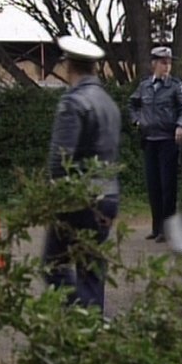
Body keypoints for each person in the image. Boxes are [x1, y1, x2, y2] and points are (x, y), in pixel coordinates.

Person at [42, 35, 121, 311]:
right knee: (91, 268)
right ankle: (92, 326)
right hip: (108, 195)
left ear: (68, 66)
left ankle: (79, 316)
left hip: (79, 197)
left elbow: (60, 159)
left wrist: (51, 197)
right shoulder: (108, 103)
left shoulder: (72, 103)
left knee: (54, 263)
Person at [128, 46, 182, 243]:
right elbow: (132, 104)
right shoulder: (145, 86)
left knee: (167, 187)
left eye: (169, 62)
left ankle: (168, 229)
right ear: (153, 64)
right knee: (153, 186)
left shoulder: (174, 86)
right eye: (163, 62)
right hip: (149, 140)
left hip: (167, 141)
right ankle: (156, 228)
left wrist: (180, 126)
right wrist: (137, 120)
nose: (167, 66)